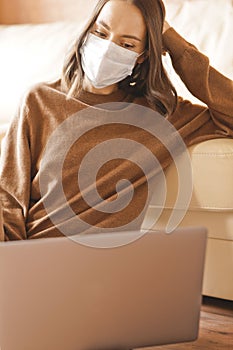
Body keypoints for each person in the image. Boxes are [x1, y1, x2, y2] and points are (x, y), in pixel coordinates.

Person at [0, 0, 232, 241]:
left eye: (127, 44)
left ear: (143, 57)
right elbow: (9, 199)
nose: (107, 49)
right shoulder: (38, 100)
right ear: (86, 31)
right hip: (34, 255)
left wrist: (173, 42)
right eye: (100, 32)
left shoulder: (161, 116)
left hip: (103, 267)